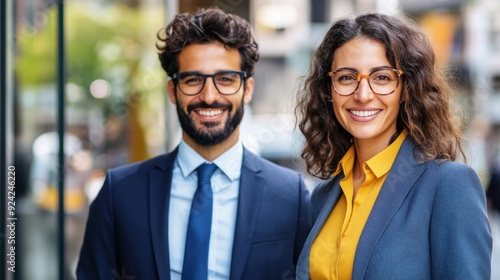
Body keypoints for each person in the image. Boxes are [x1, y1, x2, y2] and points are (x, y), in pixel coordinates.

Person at [77, 8, 311, 279]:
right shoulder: (118, 193)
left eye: (225, 79)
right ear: (172, 91)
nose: (209, 96)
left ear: (247, 90)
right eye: (193, 80)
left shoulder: (290, 195)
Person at [294, 13, 492, 279]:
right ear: (328, 90)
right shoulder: (324, 196)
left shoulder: (448, 185)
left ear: (406, 88)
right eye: (346, 78)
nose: (363, 95)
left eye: (382, 78)